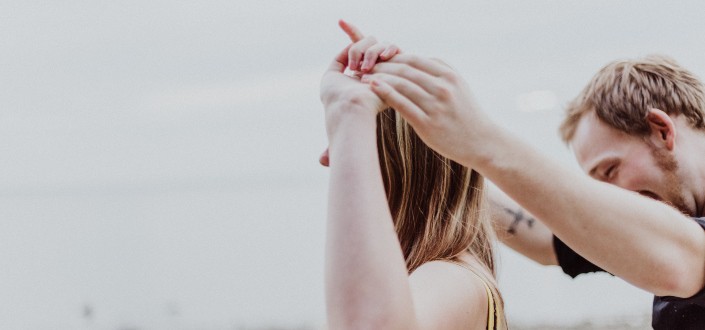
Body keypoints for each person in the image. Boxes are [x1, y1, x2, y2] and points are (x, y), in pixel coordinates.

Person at [350, 30, 705, 329]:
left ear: (661, 131)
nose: (607, 196)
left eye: (609, 170)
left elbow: (681, 260)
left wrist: (479, 141)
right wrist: (422, 162)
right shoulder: (657, 223)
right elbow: (545, 237)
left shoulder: (676, 247)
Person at [319, 20, 507, 329]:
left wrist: (351, 110)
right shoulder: (456, 276)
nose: (330, 161)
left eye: (353, 147)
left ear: (387, 164)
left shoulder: (449, 278)